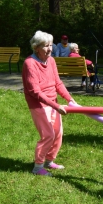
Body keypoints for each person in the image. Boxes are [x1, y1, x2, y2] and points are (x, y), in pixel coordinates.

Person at [22, 30, 75, 176]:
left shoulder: (51, 60)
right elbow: (35, 92)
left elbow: (58, 83)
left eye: (51, 45)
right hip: (39, 104)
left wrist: (69, 99)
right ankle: (38, 167)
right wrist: (56, 106)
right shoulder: (30, 63)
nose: (50, 49)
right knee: (48, 135)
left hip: (53, 102)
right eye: (45, 46)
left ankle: (49, 161)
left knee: (58, 133)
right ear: (36, 47)